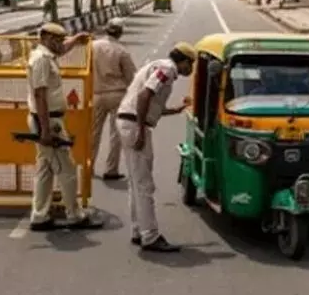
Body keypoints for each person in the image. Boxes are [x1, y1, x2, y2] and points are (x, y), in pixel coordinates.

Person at [116, 42, 196, 252]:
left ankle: (138, 230)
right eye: (191, 64)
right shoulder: (167, 70)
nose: (192, 69)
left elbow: (152, 106)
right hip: (134, 124)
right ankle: (150, 236)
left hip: (128, 121)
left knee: (136, 182)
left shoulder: (159, 66)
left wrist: (176, 109)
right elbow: (144, 96)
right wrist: (141, 131)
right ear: (184, 61)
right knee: (144, 184)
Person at [27, 22, 102, 231]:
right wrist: (45, 130)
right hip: (48, 121)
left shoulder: (46, 55)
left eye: (61, 40)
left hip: (48, 119)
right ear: (44, 38)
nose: (60, 44)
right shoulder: (42, 60)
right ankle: (75, 215)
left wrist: (76, 40)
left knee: (45, 170)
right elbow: (40, 95)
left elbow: (63, 49)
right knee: (67, 168)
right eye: (56, 40)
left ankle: (40, 215)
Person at [91, 17, 136, 180]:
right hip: (117, 95)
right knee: (115, 134)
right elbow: (131, 77)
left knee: (93, 133)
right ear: (120, 32)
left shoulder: (93, 47)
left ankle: (88, 166)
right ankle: (111, 170)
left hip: (96, 94)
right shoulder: (121, 51)